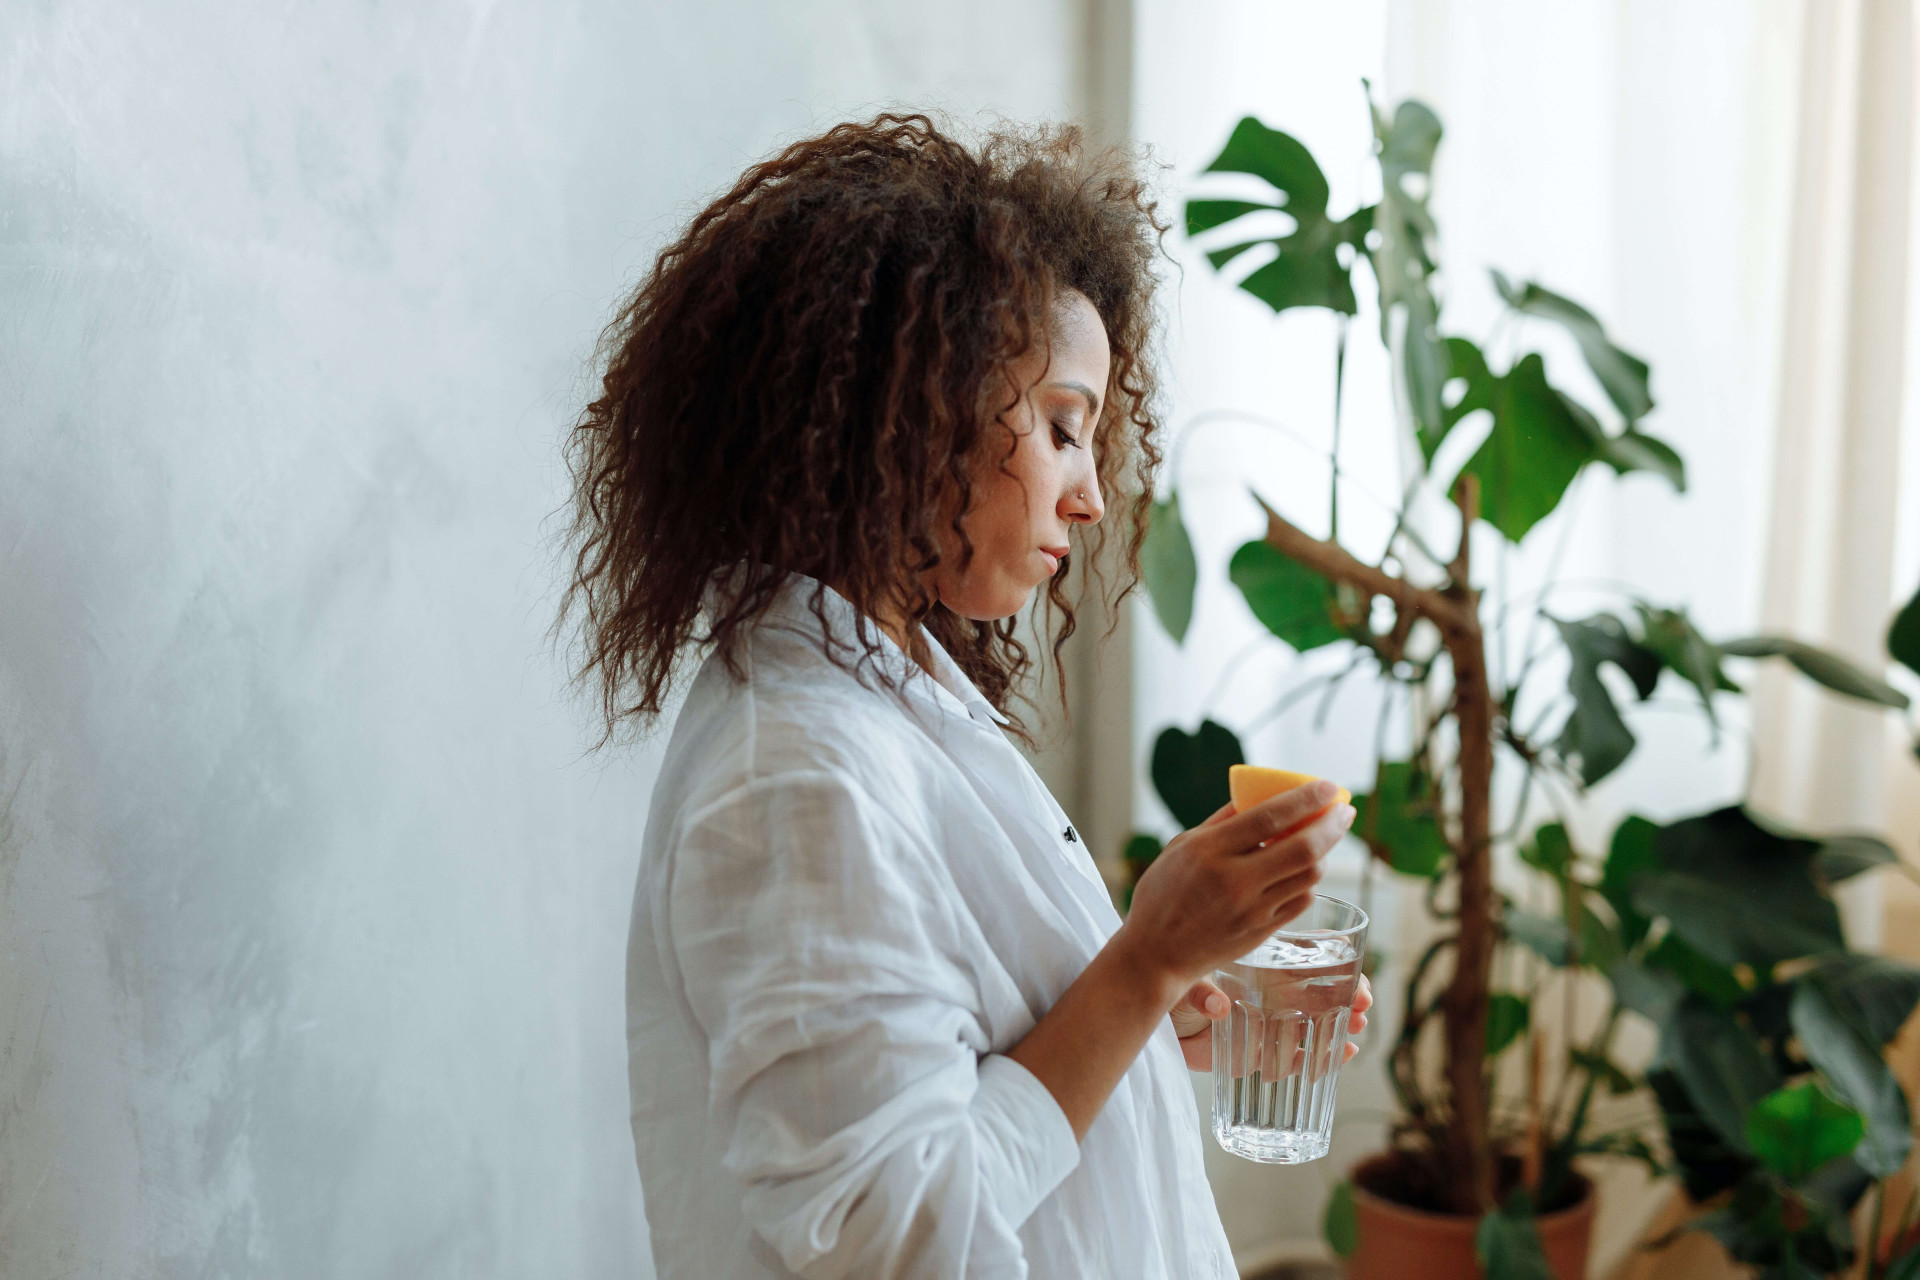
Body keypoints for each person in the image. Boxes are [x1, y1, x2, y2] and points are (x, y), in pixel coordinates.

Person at [560, 113, 1369, 1279]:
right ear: (916, 406)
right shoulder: (795, 775)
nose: (1090, 498)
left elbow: (960, 1072)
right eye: (1059, 427)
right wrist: (1141, 960)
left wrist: (1149, 1006)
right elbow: (901, 1239)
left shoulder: (887, 690)